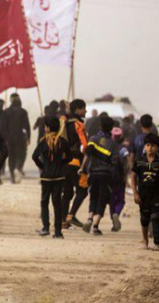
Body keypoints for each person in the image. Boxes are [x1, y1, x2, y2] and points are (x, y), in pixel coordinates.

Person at [81, 115, 120, 235]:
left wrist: (82, 168)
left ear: (99, 126)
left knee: (93, 197)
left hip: (93, 174)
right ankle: (96, 226)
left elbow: (87, 155)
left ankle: (89, 219)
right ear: (111, 128)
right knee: (102, 200)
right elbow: (115, 163)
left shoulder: (92, 139)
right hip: (106, 175)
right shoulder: (113, 144)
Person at [33, 115, 70, 238]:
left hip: (46, 176)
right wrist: (60, 164)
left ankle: (45, 227)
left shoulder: (44, 141)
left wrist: (43, 166)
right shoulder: (63, 141)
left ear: (47, 128)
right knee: (57, 203)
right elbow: (69, 157)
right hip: (59, 176)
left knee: (44, 202)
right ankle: (58, 232)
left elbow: (34, 156)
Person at [130, 133, 159, 251]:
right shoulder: (139, 161)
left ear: (157, 148)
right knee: (144, 220)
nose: (150, 148)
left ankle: (158, 243)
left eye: (153, 146)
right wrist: (135, 193)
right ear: (144, 147)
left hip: (156, 196)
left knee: (156, 218)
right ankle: (145, 241)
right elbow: (133, 177)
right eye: (148, 145)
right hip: (143, 196)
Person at [62, 99, 88, 230]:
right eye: (84, 108)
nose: (86, 111)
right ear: (77, 110)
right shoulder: (79, 125)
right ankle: (71, 215)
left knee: (67, 192)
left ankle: (63, 221)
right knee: (82, 191)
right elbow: (85, 146)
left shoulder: (64, 122)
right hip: (76, 162)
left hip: (64, 163)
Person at [3, 94, 31, 184]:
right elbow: (27, 126)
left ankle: (12, 176)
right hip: (20, 136)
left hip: (9, 137)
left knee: (11, 156)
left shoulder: (6, 112)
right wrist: (29, 137)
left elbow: (3, 127)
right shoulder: (23, 112)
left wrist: (5, 138)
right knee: (21, 154)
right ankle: (18, 168)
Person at [108, 127, 130, 232]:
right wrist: (126, 175)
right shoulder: (123, 149)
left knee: (111, 200)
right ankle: (117, 212)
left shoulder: (108, 147)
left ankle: (113, 220)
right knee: (120, 199)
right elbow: (128, 163)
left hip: (109, 177)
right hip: (120, 177)